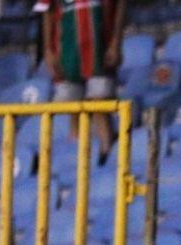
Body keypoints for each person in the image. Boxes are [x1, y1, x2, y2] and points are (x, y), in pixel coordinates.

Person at [42, 0, 125, 160]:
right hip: (66, 50)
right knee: (73, 108)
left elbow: (120, 5)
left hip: (100, 48)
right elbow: (46, 9)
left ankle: (107, 156)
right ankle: (80, 159)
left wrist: (116, 42)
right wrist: (48, 49)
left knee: (100, 103)